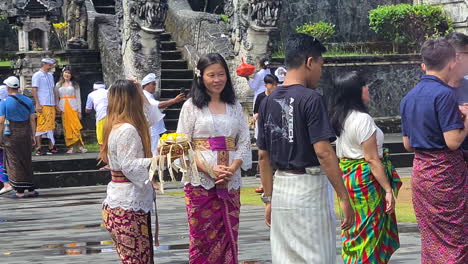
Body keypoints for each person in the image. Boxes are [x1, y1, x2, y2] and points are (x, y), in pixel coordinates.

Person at [256, 33, 354, 263]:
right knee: (317, 255)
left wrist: (268, 199)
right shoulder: (311, 98)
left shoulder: (268, 101)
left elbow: (263, 156)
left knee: (284, 257)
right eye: (320, 64)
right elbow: (323, 152)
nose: (320, 72)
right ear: (310, 62)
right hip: (309, 189)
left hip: (281, 188)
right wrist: (343, 196)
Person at [176, 53, 252, 263]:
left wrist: (233, 167)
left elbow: (244, 141)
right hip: (201, 183)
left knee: (229, 236)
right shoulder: (191, 107)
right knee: (202, 239)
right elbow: (182, 145)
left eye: (221, 74)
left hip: (230, 181)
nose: (217, 79)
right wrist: (209, 170)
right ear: (201, 77)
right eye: (211, 75)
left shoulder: (235, 106)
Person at [400, 38, 468, 264]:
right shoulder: (445, 94)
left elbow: (408, 145)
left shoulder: (409, 97)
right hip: (446, 175)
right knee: (455, 238)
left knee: (431, 239)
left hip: (422, 173)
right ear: (451, 63)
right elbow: (453, 142)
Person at [330, 71, 402, 263]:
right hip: (366, 180)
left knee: (356, 229)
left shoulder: (340, 117)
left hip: (349, 178)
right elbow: (371, 159)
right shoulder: (362, 119)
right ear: (355, 92)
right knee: (370, 230)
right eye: (363, 85)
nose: (367, 88)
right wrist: (388, 189)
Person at [100, 79, 158, 264]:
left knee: (137, 257)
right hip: (128, 201)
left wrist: (139, 90)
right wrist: (160, 161)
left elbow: (151, 116)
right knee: (138, 259)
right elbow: (130, 166)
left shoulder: (114, 125)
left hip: (121, 200)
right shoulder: (127, 130)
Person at [0, 76, 37, 198]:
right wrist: (34, 135)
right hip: (26, 132)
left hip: (11, 133)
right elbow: (32, 119)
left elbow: (1, 121)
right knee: (26, 159)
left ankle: (19, 191)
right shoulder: (28, 100)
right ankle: (31, 189)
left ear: (8, 87)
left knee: (13, 161)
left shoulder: (5, 102)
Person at [253, 74, 279, 194]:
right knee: (262, 155)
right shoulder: (260, 97)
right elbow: (255, 112)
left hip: (276, 128)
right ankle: (263, 183)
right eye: (272, 84)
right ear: (266, 85)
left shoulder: (278, 96)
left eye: (275, 84)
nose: (274, 86)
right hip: (263, 128)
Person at [55, 66, 87, 154]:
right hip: (63, 107)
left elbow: (78, 98)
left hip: (73, 106)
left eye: (69, 73)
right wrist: (57, 107)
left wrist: (79, 111)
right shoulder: (58, 85)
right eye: (65, 72)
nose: (67, 74)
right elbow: (56, 98)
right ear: (62, 73)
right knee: (67, 127)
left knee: (75, 127)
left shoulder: (75, 85)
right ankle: (71, 147)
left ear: (71, 75)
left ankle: (80, 146)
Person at [32, 58, 57, 155]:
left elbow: (53, 89)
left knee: (51, 125)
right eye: (49, 65)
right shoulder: (37, 75)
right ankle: (39, 147)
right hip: (43, 103)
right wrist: (37, 103)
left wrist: (56, 103)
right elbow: (34, 90)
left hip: (51, 104)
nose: (51, 67)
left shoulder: (50, 76)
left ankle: (51, 146)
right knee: (41, 125)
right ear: (44, 64)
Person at [85, 82, 108, 150]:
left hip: (101, 117)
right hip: (112, 117)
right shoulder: (109, 92)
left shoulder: (91, 95)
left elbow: (88, 110)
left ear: (94, 88)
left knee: (101, 139)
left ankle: (103, 156)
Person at [0, 84, 12, 195]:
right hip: (13, 134)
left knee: (1, 161)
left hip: (3, 134)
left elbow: (1, 121)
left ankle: (6, 183)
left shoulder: (2, 104)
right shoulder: (12, 103)